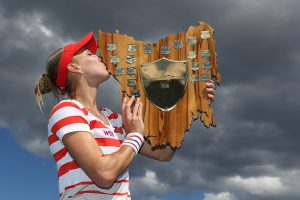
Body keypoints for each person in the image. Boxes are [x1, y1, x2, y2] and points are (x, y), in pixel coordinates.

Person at [34, 32, 216, 200]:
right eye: (89, 55)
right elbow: (104, 174)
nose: (99, 56)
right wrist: (134, 134)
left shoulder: (112, 118)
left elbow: (164, 153)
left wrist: (185, 106)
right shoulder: (66, 110)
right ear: (74, 67)